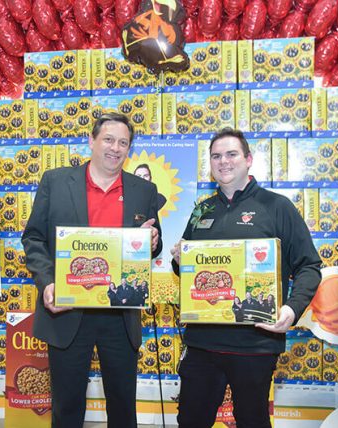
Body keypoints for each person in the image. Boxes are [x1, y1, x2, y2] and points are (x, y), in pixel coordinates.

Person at [171, 128, 321, 428]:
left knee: (252, 421)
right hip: (202, 342)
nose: (223, 162)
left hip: (256, 343)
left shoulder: (277, 207)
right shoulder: (202, 210)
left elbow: (309, 266)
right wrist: (179, 261)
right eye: (216, 156)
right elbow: (188, 273)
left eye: (231, 154)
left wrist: (290, 310)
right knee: (190, 420)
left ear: (249, 159)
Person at [22, 113, 162, 428]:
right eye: (108, 140)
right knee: (67, 406)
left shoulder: (143, 190)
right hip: (68, 310)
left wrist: (153, 240)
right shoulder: (55, 181)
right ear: (92, 141)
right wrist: (47, 284)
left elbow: (154, 241)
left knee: (123, 406)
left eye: (123, 142)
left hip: (120, 314)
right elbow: (33, 238)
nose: (115, 148)